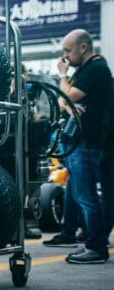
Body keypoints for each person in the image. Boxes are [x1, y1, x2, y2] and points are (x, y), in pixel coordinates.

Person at [56, 29, 110, 264]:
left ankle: (96, 247)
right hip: (83, 141)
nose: (66, 56)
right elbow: (62, 101)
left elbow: (65, 95)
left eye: (68, 50)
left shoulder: (96, 69)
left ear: (84, 47)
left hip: (88, 142)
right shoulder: (84, 71)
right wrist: (69, 105)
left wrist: (62, 75)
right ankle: (94, 244)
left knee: (86, 195)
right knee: (81, 193)